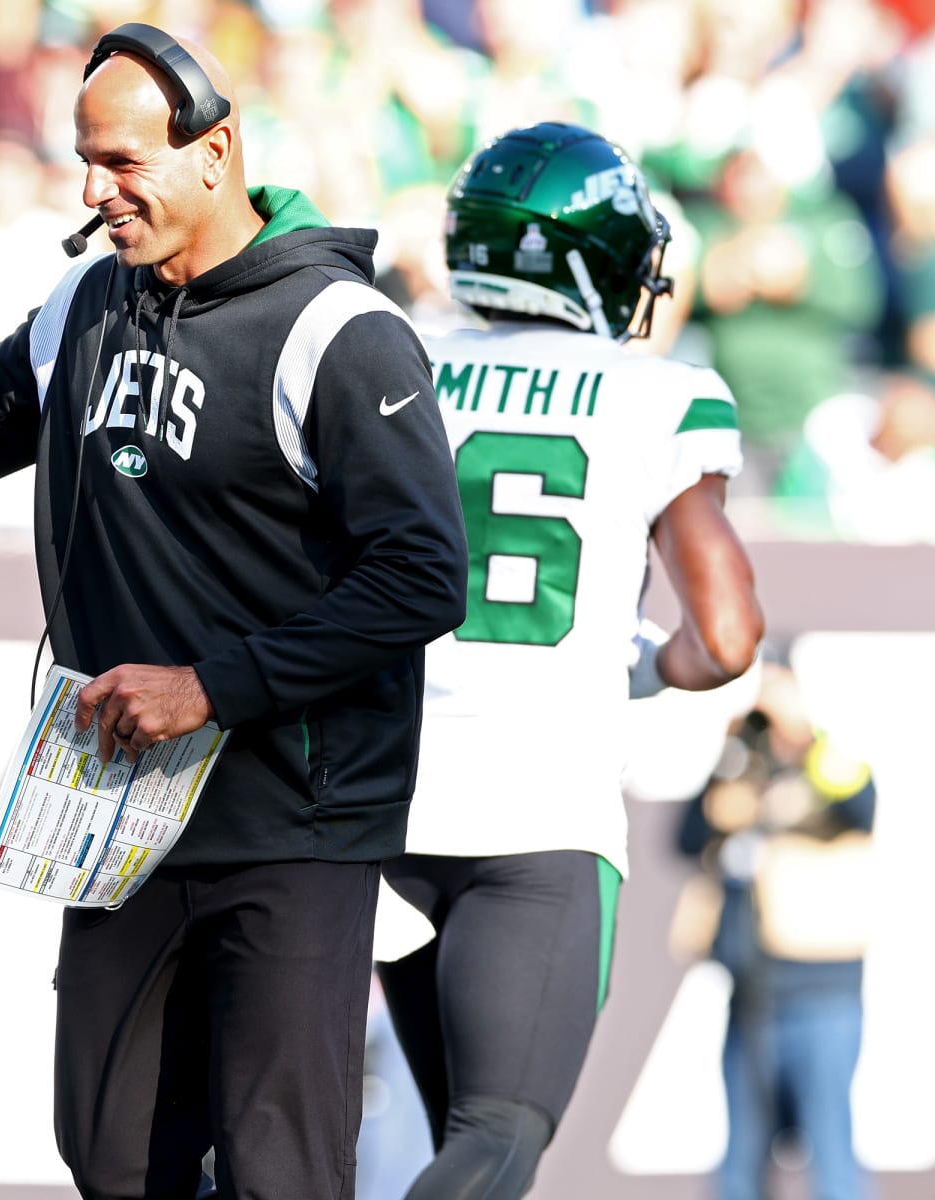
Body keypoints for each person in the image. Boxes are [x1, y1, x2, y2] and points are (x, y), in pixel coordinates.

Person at [0, 24, 469, 1200]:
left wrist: (210, 688)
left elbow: (421, 576)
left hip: (292, 817)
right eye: (85, 162)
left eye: (123, 162)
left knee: (280, 1173)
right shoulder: (86, 300)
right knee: (110, 1159)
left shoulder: (340, 329)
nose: (96, 193)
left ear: (215, 152)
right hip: (122, 814)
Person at [376, 122, 767, 1200]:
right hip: (538, 808)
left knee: (434, 1136)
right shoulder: (658, 393)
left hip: (381, 793)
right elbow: (726, 638)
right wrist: (638, 663)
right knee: (496, 1139)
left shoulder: (391, 357)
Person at [676, 663, 877, 1200]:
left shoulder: (832, 760)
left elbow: (862, 806)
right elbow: (686, 838)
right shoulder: (742, 768)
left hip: (822, 994)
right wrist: (730, 749)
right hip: (750, 994)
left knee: (832, 1159)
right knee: (741, 1165)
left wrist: (800, 733)